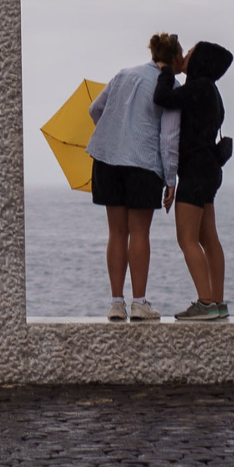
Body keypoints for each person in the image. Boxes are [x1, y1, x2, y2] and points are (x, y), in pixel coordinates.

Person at [85, 33, 184, 322]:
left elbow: (95, 110)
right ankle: (139, 303)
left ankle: (117, 303)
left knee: (116, 232)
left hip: (107, 159)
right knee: (139, 233)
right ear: (175, 57)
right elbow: (168, 137)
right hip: (142, 163)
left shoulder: (123, 75)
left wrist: (116, 132)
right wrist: (171, 178)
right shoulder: (171, 86)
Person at [154, 40, 234, 321]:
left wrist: (165, 70)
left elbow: (163, 98)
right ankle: (218, 302)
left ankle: (205, 302)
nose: (185, 54)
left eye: (190, 52)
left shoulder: (198, 88)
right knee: (209, 238)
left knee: (186, 239)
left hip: (195, 171)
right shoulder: (212, 91)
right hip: (210, 171)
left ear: (200, 60)